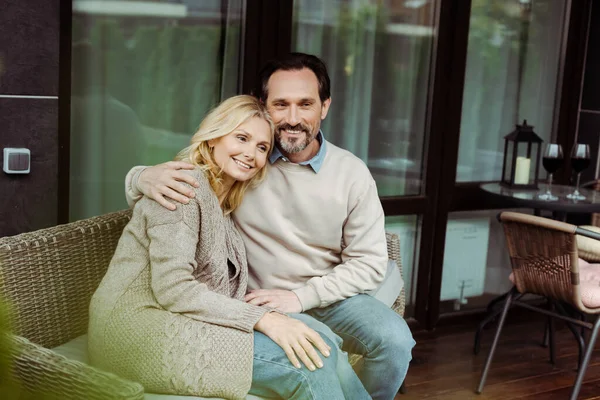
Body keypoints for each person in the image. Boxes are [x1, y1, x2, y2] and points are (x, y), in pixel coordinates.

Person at [125, 53, 416, 400]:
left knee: (396, 340)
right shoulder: (248, 162)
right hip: (255, 297)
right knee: (319, 352)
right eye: (281, 104)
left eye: (305, 104)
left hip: (326, 293)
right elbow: (192, 176)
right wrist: (141, 176)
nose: (293, 118)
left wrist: (301, 297)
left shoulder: (351, 173)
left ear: (324, 107)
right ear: (264, 107)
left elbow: (368, 264)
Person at [88, 95, 369, 400]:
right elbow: (173, 288)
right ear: (213, 139)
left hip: (181, 318)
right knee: (310, 364)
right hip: (136, 333)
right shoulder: (182, 188)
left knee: (322, 342)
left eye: (262, 147)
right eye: (241, 138)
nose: (251, 153)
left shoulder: (226, 203)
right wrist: (264, 319)